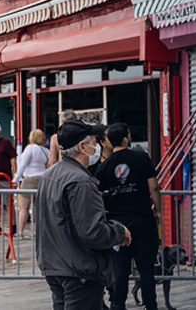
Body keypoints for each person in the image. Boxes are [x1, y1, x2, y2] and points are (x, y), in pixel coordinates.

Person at [35, 119, 131, 310]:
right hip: (79, 269)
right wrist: (120, 232)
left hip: (56, 266)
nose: (97, 147)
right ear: (82, 147)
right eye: (94, 142)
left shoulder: (49, 176)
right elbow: (92, 231)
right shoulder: (81, 181)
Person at [95, 123, 162, 310]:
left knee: (120, 270)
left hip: (118, 225)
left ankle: (118, 304)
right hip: (143, 220)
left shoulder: (105, 166)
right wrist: (157, 210)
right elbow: (154, 187)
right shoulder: (142, 158)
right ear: (126, 138)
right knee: (146, 269)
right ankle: (151, 305)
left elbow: (98, 197)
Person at [12, 129, 49, 238]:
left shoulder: (30, 148)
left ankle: (20, 232)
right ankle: (39, 231)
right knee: (39, 208)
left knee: (24, 208)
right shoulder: (46, 151)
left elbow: (23, 165)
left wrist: (16, 178)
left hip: (29, 179)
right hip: (43, 178)